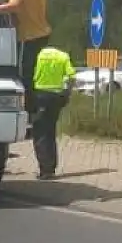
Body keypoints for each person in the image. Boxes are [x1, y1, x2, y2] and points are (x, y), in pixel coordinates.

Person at [29, 45, 75, 180]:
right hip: (56, 96)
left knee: (40, 132)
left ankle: (45, 169)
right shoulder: (63, 56)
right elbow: (71, 76)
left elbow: (29, 75)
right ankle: (51, 166)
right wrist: (67, 94)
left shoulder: (38, 55)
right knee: (50, 130)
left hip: (39, 95)